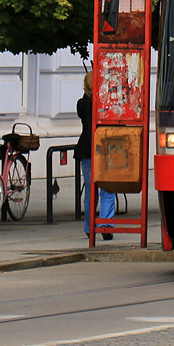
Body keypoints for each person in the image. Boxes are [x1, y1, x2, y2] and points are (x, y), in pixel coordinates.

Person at [76, 71, 115, 240]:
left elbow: (83, 112)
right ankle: (106, 225)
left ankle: (89, 226)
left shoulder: (82, 104)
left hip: (87, 150)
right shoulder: (104, 103)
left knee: (91, 191)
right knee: (108, 190)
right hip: (105, 148)